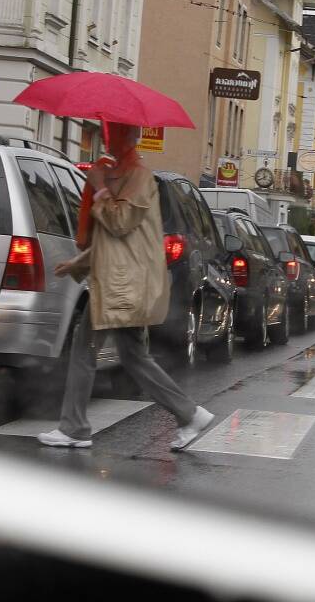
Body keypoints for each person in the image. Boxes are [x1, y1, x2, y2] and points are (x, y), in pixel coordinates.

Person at [37, 123, 214, 451]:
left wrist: (101, 188)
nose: (107, 138)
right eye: (107, 133)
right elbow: (114, 242)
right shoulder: (122, 173)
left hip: (123, 286)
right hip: (119, 283)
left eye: (113, 133)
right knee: (133, 357)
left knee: (85, 350)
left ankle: (75, 427)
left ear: (128, 137)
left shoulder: (139, 177)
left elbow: (120, 223)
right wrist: (77, 264)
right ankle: (189, 414)